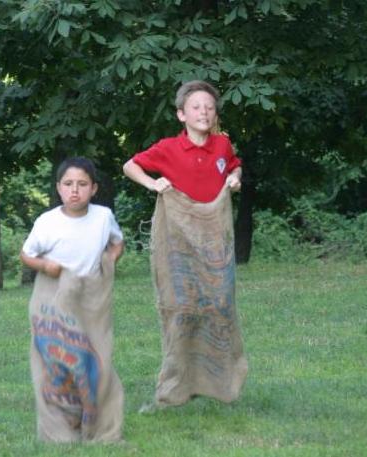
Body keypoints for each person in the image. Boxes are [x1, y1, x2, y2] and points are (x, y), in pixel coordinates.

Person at [123, 80, 248, 408]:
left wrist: (235, 179)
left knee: (219, 306)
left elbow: (234, 165)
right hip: (178, 244)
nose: (203, 112)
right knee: (181, 308)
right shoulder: (167, 148)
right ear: (181, 114)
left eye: (209, 107)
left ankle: (219, 384)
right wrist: (153, 183)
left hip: (214, 243)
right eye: (196, 107)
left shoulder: (222, 145)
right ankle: (175, 386)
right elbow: (130, 166)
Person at [20, 156, 125, 443]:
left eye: (82, 184)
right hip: (53, 296)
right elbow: (26, 254)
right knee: (58, 360)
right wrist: (45, 266)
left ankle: (98, 424)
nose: (74, 190)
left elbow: (117, 243)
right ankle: (60, 427)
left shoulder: (103, 217)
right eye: (68, 184)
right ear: (58, 188)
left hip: (91, 298)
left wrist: (109, 262)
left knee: (95, 358)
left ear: (94, 188)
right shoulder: (48, 222)